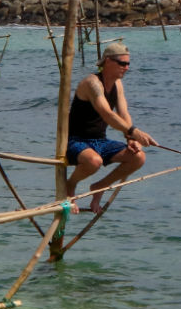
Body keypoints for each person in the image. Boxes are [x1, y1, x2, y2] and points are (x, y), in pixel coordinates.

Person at [66, 41, 156, 214]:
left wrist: (130, 139)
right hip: (75, 141)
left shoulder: (118, 85)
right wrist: (135, 132)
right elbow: (107, 114)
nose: (127, 68)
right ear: (107, 61)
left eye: (128, 64)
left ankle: (99, 186)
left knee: (138, 157)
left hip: (100, 141)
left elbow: (123, 113)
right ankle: (70, 185)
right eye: (122, 63)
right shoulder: (91, 83)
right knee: (94, 161)